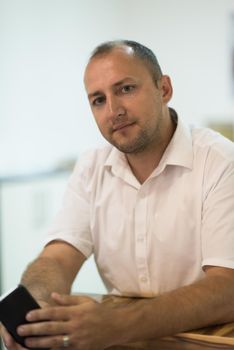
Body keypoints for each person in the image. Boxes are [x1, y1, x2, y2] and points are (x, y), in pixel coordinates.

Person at [1, 39, 234, 350]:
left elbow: (227, 289)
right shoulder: (91, 166)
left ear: (163, 89)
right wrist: (36, 309)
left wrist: (120, 324)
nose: (114, 111)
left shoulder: (221, 162)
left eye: (126, 89)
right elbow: (57, 257)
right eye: (98, 100)